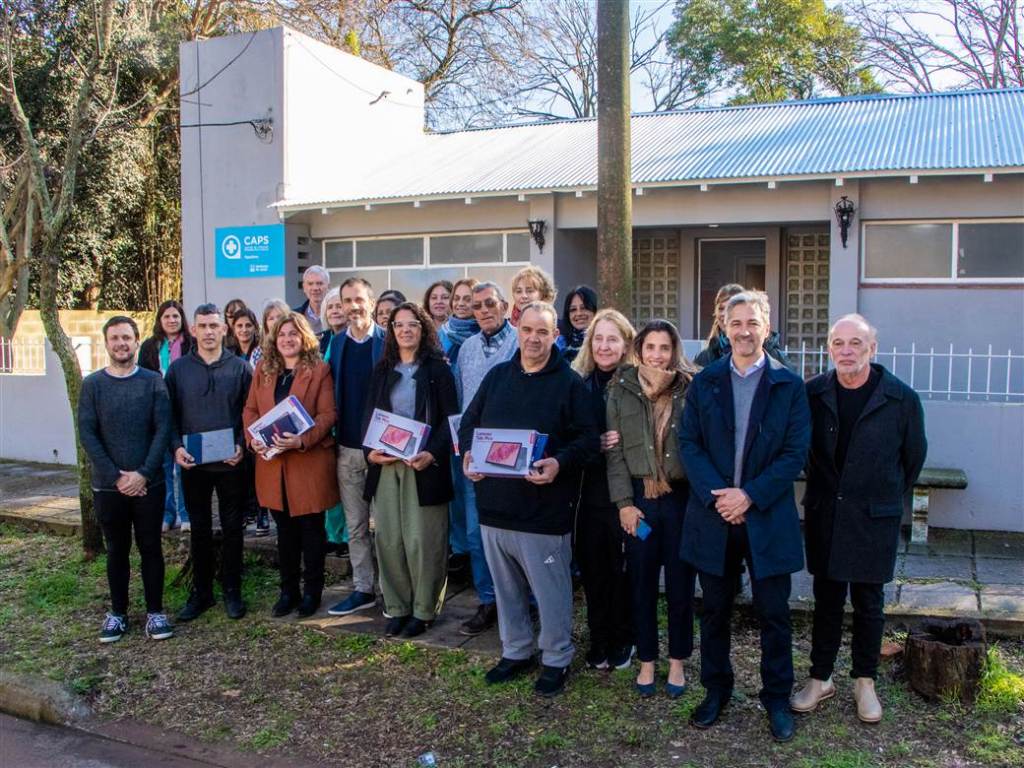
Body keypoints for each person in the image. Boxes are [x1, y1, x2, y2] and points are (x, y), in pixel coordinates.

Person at [679, 291, 810, 742]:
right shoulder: (705, 381)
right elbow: (689, 443)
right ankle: (716, 690)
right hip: (715, 515)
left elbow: (794, 454)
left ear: (766, 328)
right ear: (725, 328)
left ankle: (777, 698)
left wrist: (749, 495)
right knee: (715, 610)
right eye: (735, 323)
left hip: (766, 515)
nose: (744, 331)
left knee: (774, 613)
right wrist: (721, 497)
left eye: (752, 322)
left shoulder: (789, 385)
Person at [459, 302, 599, 697]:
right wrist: (469, 454)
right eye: (527, 330)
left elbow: (589, 440)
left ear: (555, 335)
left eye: (542, 331)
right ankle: (516, 650)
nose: (533, 338)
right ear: (517, 329)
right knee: (506, 591)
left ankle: (556, 657)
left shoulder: (569, 383)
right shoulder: (497, 377)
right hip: (494, 508)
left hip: (544, 511)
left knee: (551, 592)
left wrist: (559, 462)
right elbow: (470, 423)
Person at [791, 314, 926, 724]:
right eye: (838, 343)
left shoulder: (901, 399)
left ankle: (865, 681)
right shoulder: (813, 393)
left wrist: (878, 495)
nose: (846, 351)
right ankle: (820, 678)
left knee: (869, 602)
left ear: (872, 348)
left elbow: (912, 460)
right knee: (827, 599)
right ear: (829, 348)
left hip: (873, 516)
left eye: (856, 343)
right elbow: (802, 448)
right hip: (827, 514)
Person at [607, 320, 698, 698]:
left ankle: (677, 661)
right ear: (639, 350)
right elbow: (614, 454)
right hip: (640, 504)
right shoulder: (621, 388)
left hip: (680, 501)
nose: (657, 355)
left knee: (680, 585)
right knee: (641, 583)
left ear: (674, 351)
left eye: (665, 347)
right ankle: (647, 659)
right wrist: (624, 505)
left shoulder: (689, 388)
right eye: (651, 347)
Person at [363, 302, 459, 638]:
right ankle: (398, 607)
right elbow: (369, 416)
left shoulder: (438, 370)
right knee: (389, 539)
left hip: (424, 467)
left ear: (423, 329)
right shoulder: (381, 370)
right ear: (391, 331)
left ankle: (423, 610)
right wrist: (370, 453)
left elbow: (451, 421)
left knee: (423, 541)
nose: (405, 330)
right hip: (387, 466)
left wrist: (432, 454)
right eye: (398, 325)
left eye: (412, 324)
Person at [79, 316, 173, 643]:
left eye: (126, 338)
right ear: (106, 343)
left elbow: (163, 429)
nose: (121, 344)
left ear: (136, 341)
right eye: (115, 338)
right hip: (109, 487)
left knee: (151, 548)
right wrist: (117, 477)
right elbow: (88, 434)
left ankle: (155, 612)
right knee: (117, 550)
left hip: (149, 485)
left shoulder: (153, 382)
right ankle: (118, 613)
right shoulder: (92, 385)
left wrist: (143, 473)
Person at [244, 312, 339, 618]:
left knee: (311, 532)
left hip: (307, 462)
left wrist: (301, 440)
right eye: (282, 334)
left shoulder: (319, 369)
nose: (287, 339)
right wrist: (253, 440)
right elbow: (250, 410)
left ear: (304, 337)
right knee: (284, 532)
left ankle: (312, 592)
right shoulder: (264, 369)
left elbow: (328, 414)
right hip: (273, 466)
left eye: (293, 334)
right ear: (274, 339)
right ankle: (288, 591)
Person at [166, 303, 253, 623]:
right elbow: (168, 415)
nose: (208, 332)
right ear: (193, 330)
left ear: (224, 329)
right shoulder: (178, 370)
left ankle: (232, 590)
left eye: (214, 326)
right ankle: (201, 592)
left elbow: (251, 412)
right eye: (202, 326)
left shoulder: (241, 368)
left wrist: (242, 444)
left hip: (231, 463)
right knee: (199, 529)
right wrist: (176, 447)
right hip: (193, 465)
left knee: (233, 529)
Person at [451, 281, 519, 636]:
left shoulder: (521, 341)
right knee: (476, 534)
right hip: (475, 456)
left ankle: (522, 601)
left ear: (504, 305)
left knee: (514, 533)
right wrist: (464, 449)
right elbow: (463, 403)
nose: (484, 311)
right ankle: (488, 599)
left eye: (490, 303)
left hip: (512, 455)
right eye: (477, 306)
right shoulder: (467, 349)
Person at [570, 309, 636, 672]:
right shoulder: (579, 384)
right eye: (598, 338)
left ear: (626, 344)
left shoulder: (637, 385)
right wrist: (592, 443)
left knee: (623, 570)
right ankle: (598, 637)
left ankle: (623, 637)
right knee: (593, 569)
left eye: (612, 339)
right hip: (589, 495)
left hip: (627, 497)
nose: (604, 346)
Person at [326, 278, 387, 616]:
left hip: (383, 451)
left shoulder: (388, 341)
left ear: (371, 302)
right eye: (347, 300)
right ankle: (363, 588)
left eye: (359, 299)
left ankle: (393, 591)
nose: (353, 306)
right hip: (348, 449)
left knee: (388, 528)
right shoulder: (336, 344)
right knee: (356, 527)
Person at [139, 300, 192, 534]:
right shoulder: (149, 346)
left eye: (175, 316)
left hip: (184, 412)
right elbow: (142, 379)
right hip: (158, 412)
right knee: (164, 466)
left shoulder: (191, 344)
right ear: (160, 320)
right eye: (167, 316)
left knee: (184, 466)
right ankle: (167, 514)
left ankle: (186, 513)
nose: (172, 320)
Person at [318, 285, 349, 556]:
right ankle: (332, 533)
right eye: (331, 306)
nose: (335, 310)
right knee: (329, 479)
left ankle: (348, 536)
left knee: (348, 483)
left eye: (340, 305)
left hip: (347, 417)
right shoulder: (321, 341)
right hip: (326, 419)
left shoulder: (354, 339)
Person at [695, 284, 791, 369]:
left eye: (729, 308)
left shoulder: (775, 357)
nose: (725, 314)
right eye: (721, 308)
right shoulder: (705, 357)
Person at [437, 278, 479, 366]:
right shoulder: (441, 333)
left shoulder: (485, 333)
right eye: (456, 299)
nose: (460, 303)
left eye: (467, 299)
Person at [557, 285, 597, 362]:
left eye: (584, 308)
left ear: (594, 310)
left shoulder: (602, 343)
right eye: (573, 309)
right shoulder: (560, 344)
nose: (579, 313)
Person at [252, 299, 290, 370]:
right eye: (271, 319)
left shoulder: (293, 345)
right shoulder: (258, 352)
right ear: (265, 324)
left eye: (279, 317)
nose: (275, 321)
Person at [294, 265, 330, 335]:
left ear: (328, 286)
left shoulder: (337, 314)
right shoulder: (295, 316)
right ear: (304, 287)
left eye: (319, 283)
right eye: (310, 284)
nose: (315, 288)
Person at [318, 286, 347, 355]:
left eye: (339, 307)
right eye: (330, 307)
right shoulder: (318, 339)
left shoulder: (356, 338)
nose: (334, 311)